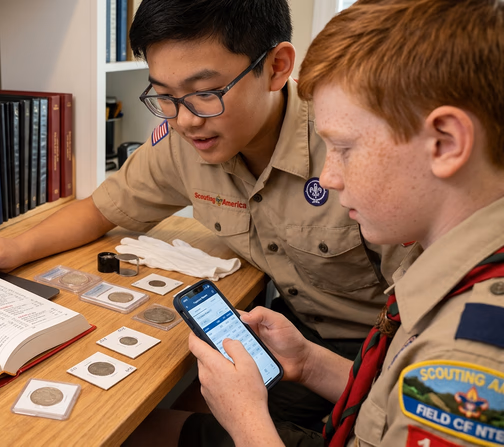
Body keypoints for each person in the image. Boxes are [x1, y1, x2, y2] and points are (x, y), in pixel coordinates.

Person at [0, 0, 411, 429]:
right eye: (164, 95)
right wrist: (15, 247)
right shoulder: (185, 140)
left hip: (390, 360)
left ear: (276, 67)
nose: (185, 119)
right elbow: (101, 208)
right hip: (296, 340)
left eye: (205, 92)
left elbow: (422, 328)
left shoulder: (346, 145)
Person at [157, 0, 504, 445]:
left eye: (344, 148)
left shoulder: (465, 362)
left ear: (446, 142)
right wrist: (309, 362)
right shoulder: (453, 262)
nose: (327, 176)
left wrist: (245, 417)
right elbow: (390, 408)